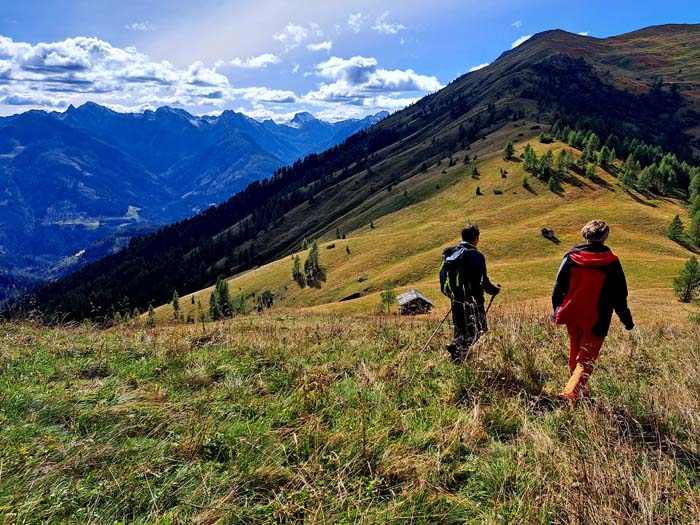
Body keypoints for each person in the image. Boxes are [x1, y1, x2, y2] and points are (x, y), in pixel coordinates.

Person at [552, 219, 634, 403]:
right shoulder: (611, 262)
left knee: (576, 353)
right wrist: (627, 320)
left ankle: (577, 389)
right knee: (586, 360)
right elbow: (619, 295)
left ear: (585, 234)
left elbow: (558, 286)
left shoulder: (571, 256)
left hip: (572, 312)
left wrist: (557, 309)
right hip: (597, 317)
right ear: (605, 237)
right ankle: (569, 396)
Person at [446, 224, 500, 360]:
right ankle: (459, 353)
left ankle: (456, 350)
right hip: (473, 301)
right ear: (476, 238)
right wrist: (494, 290)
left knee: (461, 329)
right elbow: (484, 281)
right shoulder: (477, 256)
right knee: (477, 330)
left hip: (456, 300)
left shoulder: (452, 254)